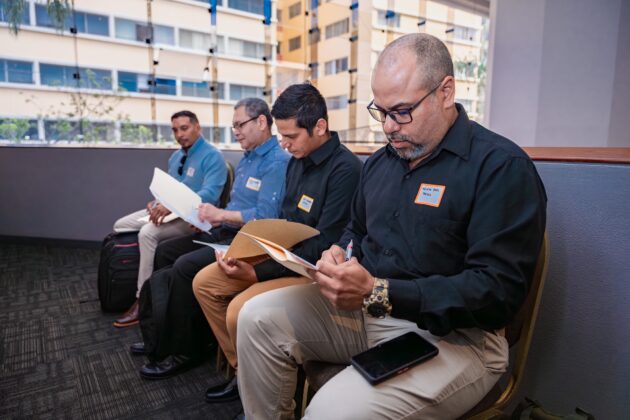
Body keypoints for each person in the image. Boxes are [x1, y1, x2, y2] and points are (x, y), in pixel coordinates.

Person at [234, 33, 548, 419]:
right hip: (370, 311)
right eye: (380, 111)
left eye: (401, 111)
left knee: (331, 412)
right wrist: (339, 253)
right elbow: (357, 230)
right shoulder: (382, 164)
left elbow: (496, 292)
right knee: (257, 317)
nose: (387, 127)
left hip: (458, 337)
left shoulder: (500, 168)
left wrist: (380, 290)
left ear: (445, 92)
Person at [192, 83, 363, 404]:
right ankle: (246, 373)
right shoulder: (298, 159)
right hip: (283, 253)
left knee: (237, 313)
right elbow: (282, 221)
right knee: (204, 283)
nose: (283, 144)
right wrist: (242, 251)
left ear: (320, 127)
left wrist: (258, 272)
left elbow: (322, 246)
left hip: (308, 267)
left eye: (291, 136)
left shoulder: (345, 170)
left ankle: (255, 384)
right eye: (281, 136)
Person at [135, 98, 290, 379]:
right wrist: (209, 219)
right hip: (225, 231)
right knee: (165, 252)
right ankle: (161, 332)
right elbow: (233, 207)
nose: (236, 132)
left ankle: (187, 349)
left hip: (248, 240)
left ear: (262, 122)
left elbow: (266, 215)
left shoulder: (277, 161)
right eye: (233, 127)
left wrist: (219, 215)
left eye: (240, 125)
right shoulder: (248, 158)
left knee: (183, 266)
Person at [111, 110, 227, 328]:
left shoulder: (213, 156)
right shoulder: (176, 157)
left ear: (197, 127)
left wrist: (170, 204)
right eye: (175, 129)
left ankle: (142, 300)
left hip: (194, 218)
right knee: (120, 225)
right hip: (169, 212)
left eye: (184, 128)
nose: (179, 134)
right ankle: (140, 276)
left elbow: (210, 195)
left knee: (147, 234)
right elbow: (166, 191)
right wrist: (156, 203)